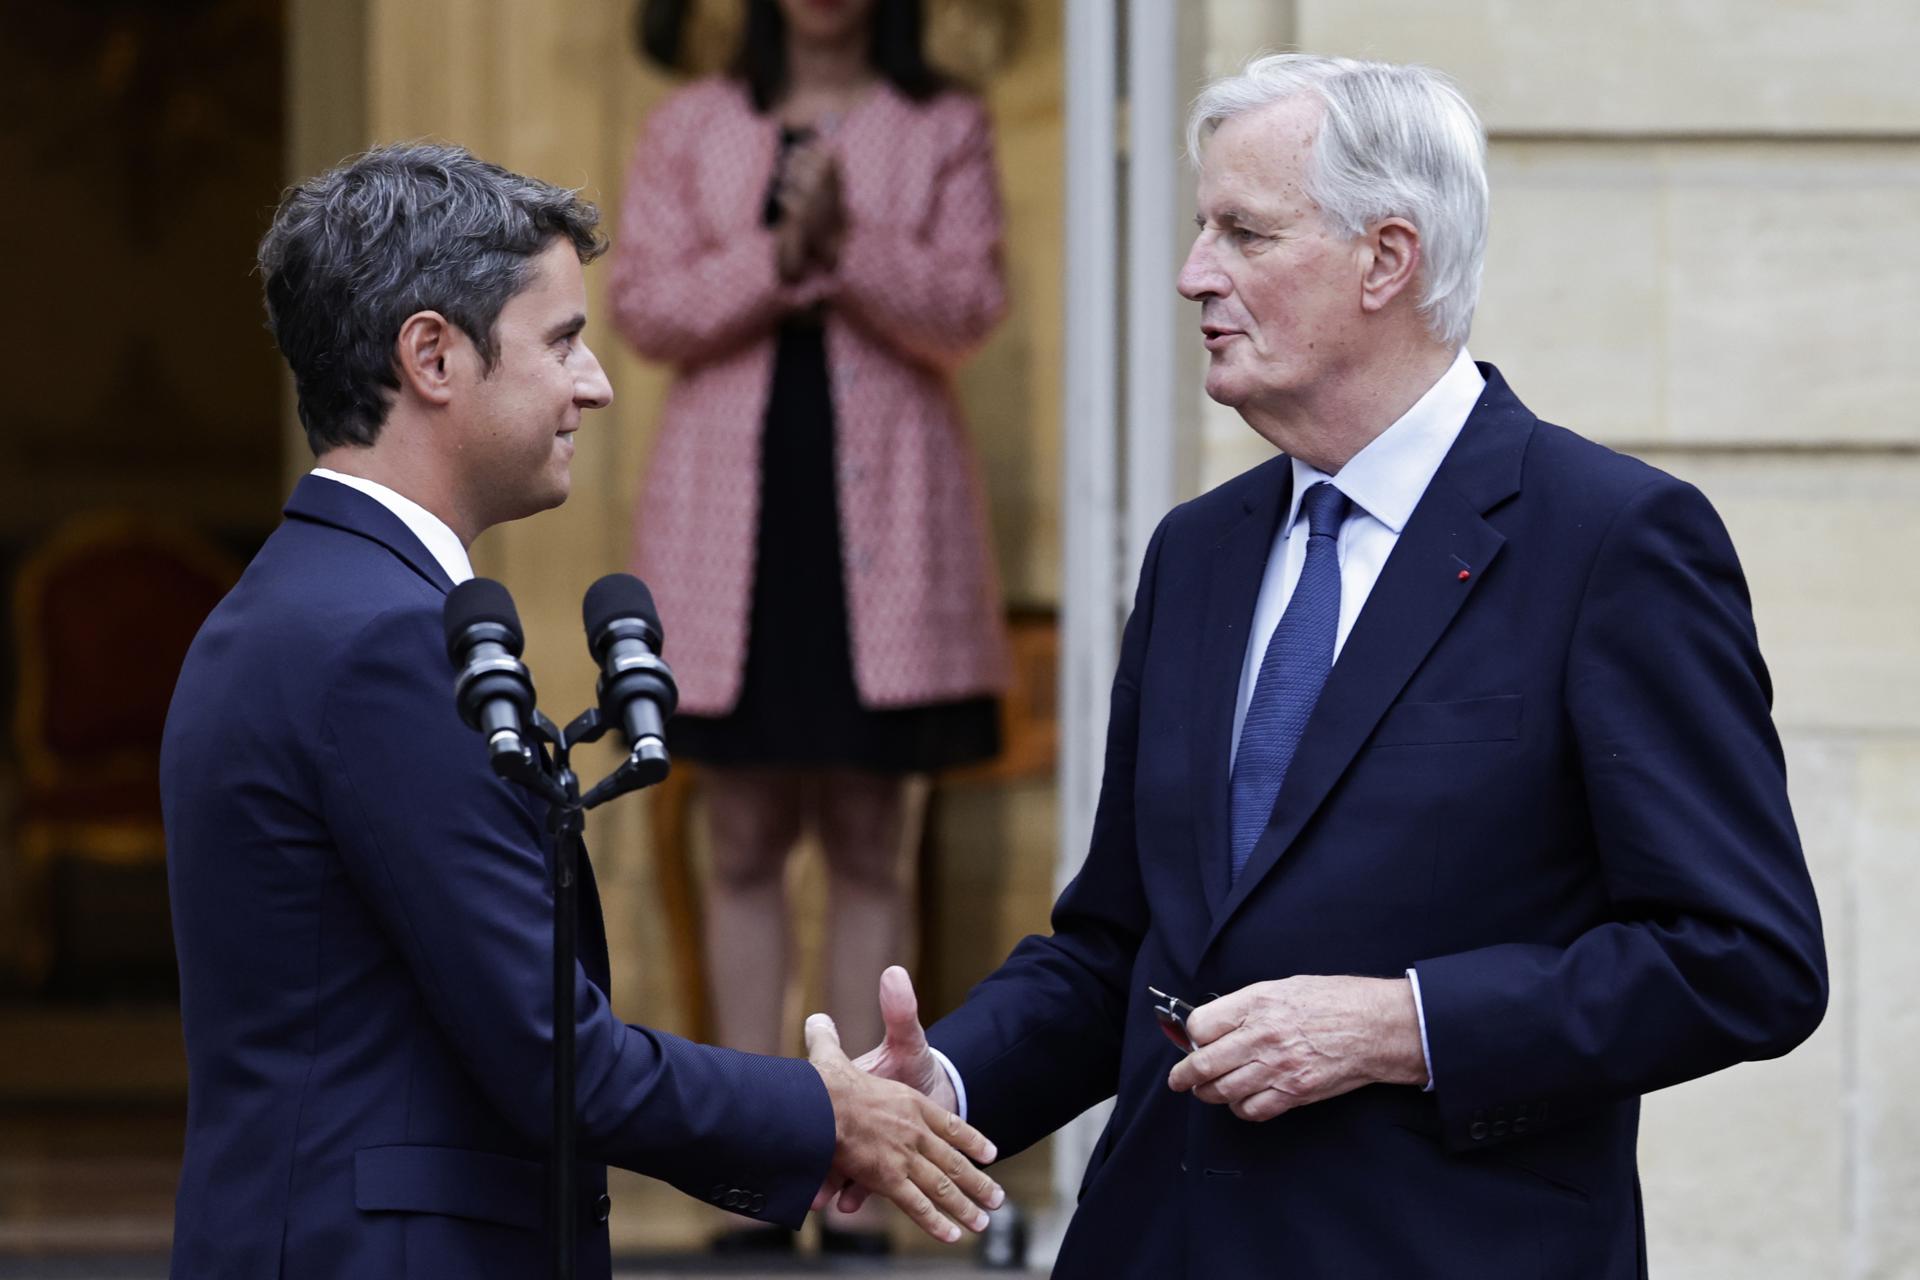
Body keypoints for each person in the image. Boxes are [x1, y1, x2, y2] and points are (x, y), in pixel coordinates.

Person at [838, 54, 1829, 1277]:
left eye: (1244, 232)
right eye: (1202, 228)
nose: (1195, 272)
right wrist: (942, 1077)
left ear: (1386, 258)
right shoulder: (1198, 552)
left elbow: (1743, 957)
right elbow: (1122, 947)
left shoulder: (1610, 539)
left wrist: (1406, 1023)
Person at [159, 141, 1002, 1280]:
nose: (596, 384)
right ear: (432, 356)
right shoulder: (384, 641)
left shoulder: (298, 600)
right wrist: (826, 1113)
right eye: (561, 341)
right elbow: (556, 1054)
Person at [608, 0, 1008, 1254]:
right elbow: (646, 309)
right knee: (737, 832)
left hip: (884, 520)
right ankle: (751, 1164)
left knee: (871, 834)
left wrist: (849, 241)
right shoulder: (692, 122)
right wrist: (782, 252)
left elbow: (966, 305)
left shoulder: (942, 121)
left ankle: (875, 1167)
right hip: (734, 519)